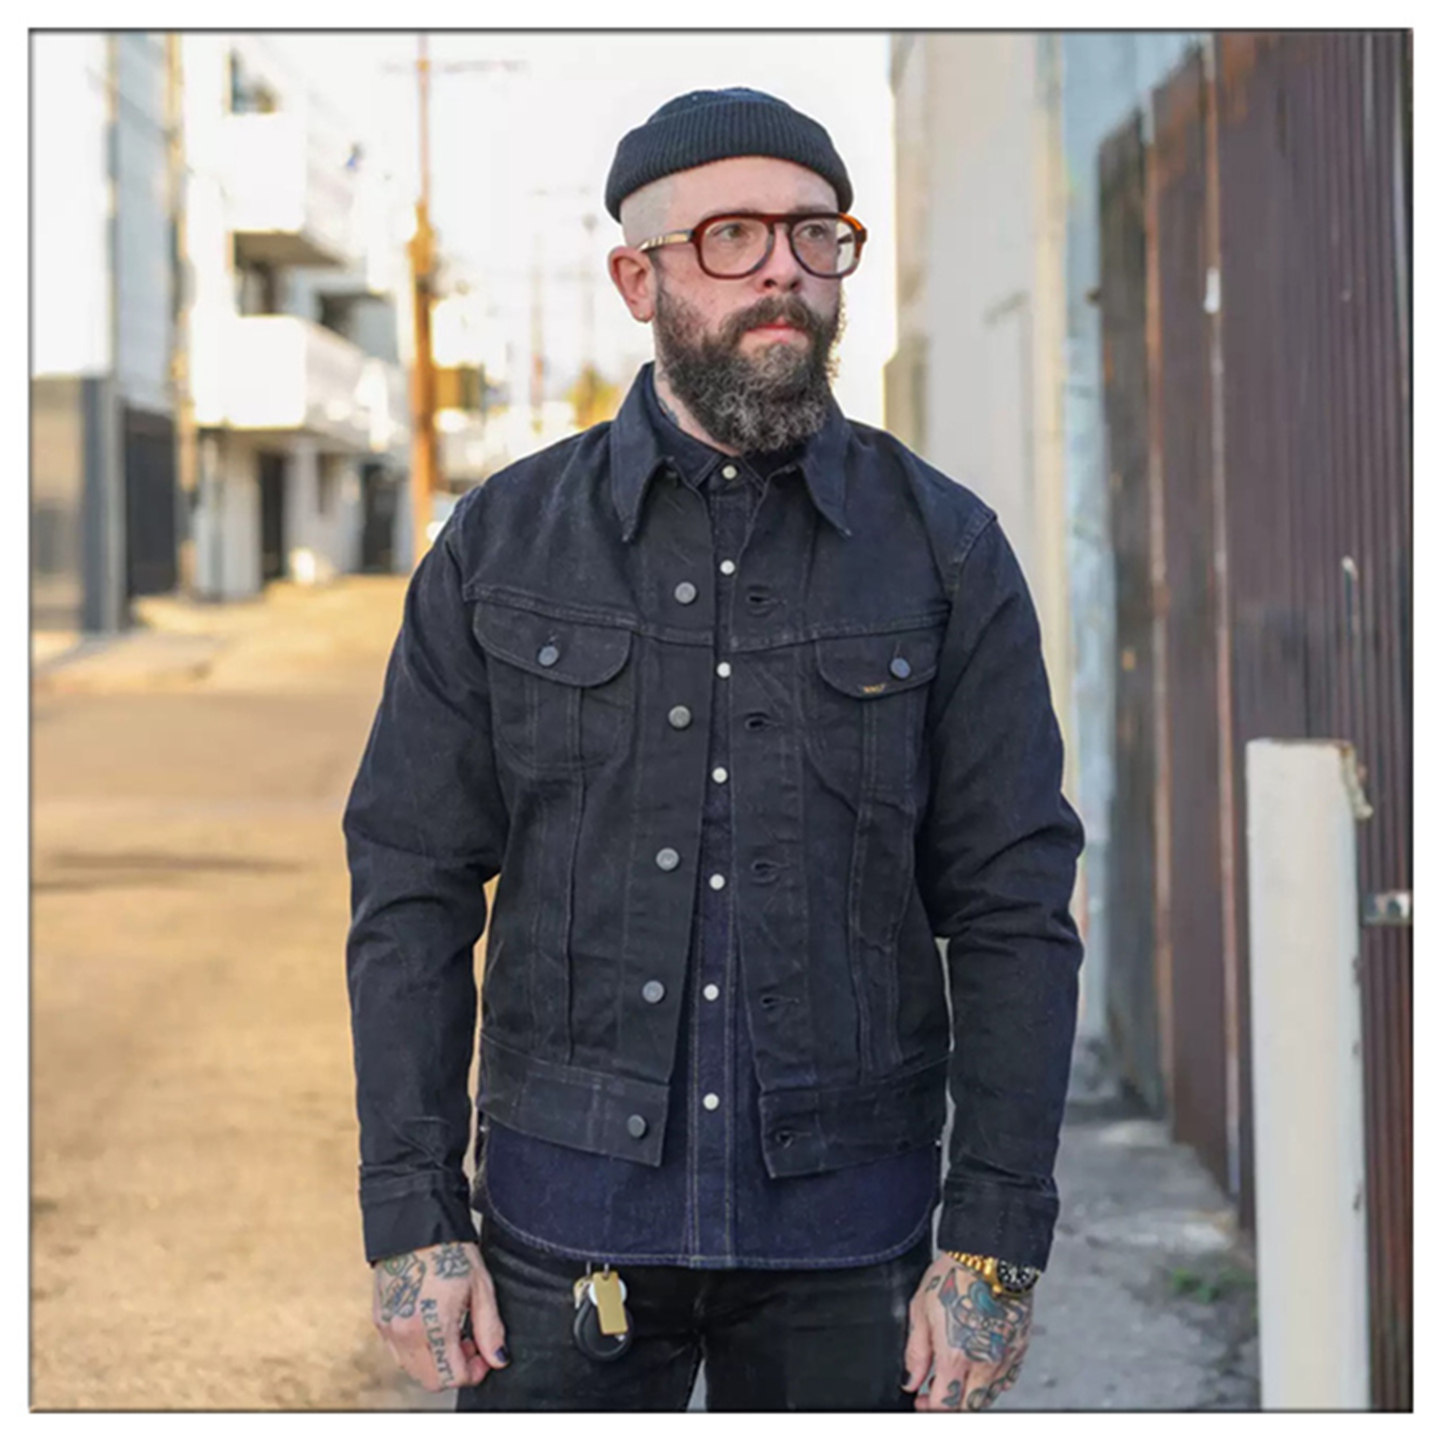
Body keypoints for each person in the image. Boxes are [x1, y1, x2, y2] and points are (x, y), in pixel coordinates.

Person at [343, 86, 1084, 1413]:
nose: (785, 270)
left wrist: (990, 1243)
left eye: (815, 233)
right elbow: (411, 881)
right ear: (639, 279)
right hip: (561, 1232)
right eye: (733, 236)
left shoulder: (946, 552)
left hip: (851, 1243)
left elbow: (1014, 908)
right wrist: (413, 1216)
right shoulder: (504, 545)